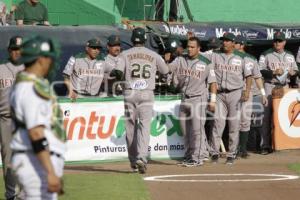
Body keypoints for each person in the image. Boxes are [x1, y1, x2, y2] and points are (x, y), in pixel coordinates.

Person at [10, 36, 66, 200]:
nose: (51, 62)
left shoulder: (27, 83)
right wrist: (50, 171)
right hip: (35, 160)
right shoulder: (31, 88)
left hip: (34, 158)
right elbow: (35, 133)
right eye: (49, 57)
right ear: (41, 59)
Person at [110, 27, 169, 173]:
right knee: (144, 127)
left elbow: (117, 72)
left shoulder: (125, 54)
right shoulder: (153, 55)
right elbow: (165, 71)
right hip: (147, 92)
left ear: (132, 39)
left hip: (130, 92)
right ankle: (141, 158)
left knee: (130, 127)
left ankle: (132, 160)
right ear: (144, 39)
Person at [167, 37, 217, 166]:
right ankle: (189, 156)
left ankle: (198, 158)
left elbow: (213, 83)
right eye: (188, 46)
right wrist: (166, 60)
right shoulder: (180, 59)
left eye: (192, 47)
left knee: (197, 130)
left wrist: (213, 101)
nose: (189, 49)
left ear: (199, 48)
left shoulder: (206, 62)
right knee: (185, 131)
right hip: (184, 98)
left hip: (198, 99)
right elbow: (168, 69)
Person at [210, 32, 252, 165]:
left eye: (228, 41)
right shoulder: (215, 55)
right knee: (218, 124)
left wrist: (247, 91)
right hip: (220, 93)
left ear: (233, 43)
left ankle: (231, 154)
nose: (225, 43)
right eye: (224, 40)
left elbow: (248, 76)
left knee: (234, 125)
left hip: (235, 93)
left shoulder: (241, 57)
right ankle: (214, 153)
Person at [258, 31, 298, 155]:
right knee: (266, 116)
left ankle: (280, 144)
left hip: (284, 87)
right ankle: (265, 145)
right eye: (275, 40)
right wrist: (273, 72)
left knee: (283, 117)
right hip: (270, 86)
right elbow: (259, 71)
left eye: (280, 41)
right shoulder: (266, 54)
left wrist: (294, 73)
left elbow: (296, 70)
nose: (277, 43)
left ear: (284, 42)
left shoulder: (290, 55)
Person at [234, 35, 268, 158]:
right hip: (234, 93)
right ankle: (235, 148)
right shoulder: (229, 56)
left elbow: (258, 77)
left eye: (236, 43)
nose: (233, 44)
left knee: (246, 122)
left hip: (248, 93)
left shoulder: (251, 59)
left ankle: (242, 149)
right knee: (234, 122)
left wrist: (263, 94)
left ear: (241, 45)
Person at [0, 36, 24, 200]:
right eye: (14, 49)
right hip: (6, 119)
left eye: (20, 49)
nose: (17, 52)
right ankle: (11, 195)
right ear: (9, 50)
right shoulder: (1, 68)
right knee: (8, 160)